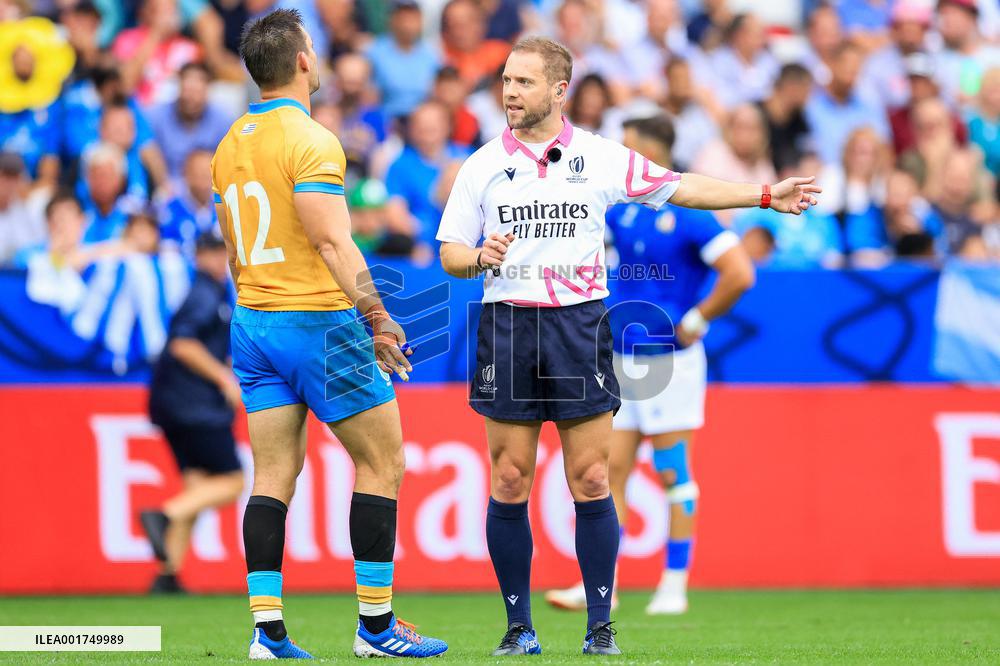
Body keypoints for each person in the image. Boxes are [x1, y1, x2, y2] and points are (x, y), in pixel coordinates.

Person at [436, 36, 819, 657]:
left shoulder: (599, 157)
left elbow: (682, 187)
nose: (510, 92)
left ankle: (600, 627)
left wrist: (763, 196)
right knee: (508, 478)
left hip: (579, 325)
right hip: (508, 326)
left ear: (559, 90)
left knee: (592, 477)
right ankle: (518, 628)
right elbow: (450, 252)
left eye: (524, 82)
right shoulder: (480, 165)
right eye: (506, 80)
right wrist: (478, 256)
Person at [211, 9, 447, 659]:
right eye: (312, 47)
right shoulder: (312, 140)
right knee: (382, 462)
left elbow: (231, 248)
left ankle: (267, 633)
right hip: (315, 321)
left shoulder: (229, 145)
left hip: (253, 321)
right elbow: (333, 242)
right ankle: (376, 627)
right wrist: (377, 316)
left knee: (273, 476)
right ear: (303, 60)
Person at [544, 113, 755, 616]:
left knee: (672, 470)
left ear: (651, 150)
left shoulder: (690, 211)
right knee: (608, 470)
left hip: (670, 361)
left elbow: (739, 272)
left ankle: (674, 584)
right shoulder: (621, 211)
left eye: (629, 145)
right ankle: (603, 586)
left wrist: (697, 318)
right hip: (620, 358)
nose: (622, 155)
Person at [140, 234, 244, 594]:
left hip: (173, 403)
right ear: (201, 256)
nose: (219, 260)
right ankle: (164, 515)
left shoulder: (206, 292)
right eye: (214, 253)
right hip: (194, 405)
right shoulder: (205, 294)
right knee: (233, 481)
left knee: (197, 486)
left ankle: (167, 574)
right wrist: (223, 378)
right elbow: (183, 344)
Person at [148, 62, 234, 181]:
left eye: (196, 92)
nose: (191, 98)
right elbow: (145, 145)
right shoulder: (156, 116)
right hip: (167, 184)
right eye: (187, 90)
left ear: (206, 91)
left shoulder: (223, 121)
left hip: (209, 186)